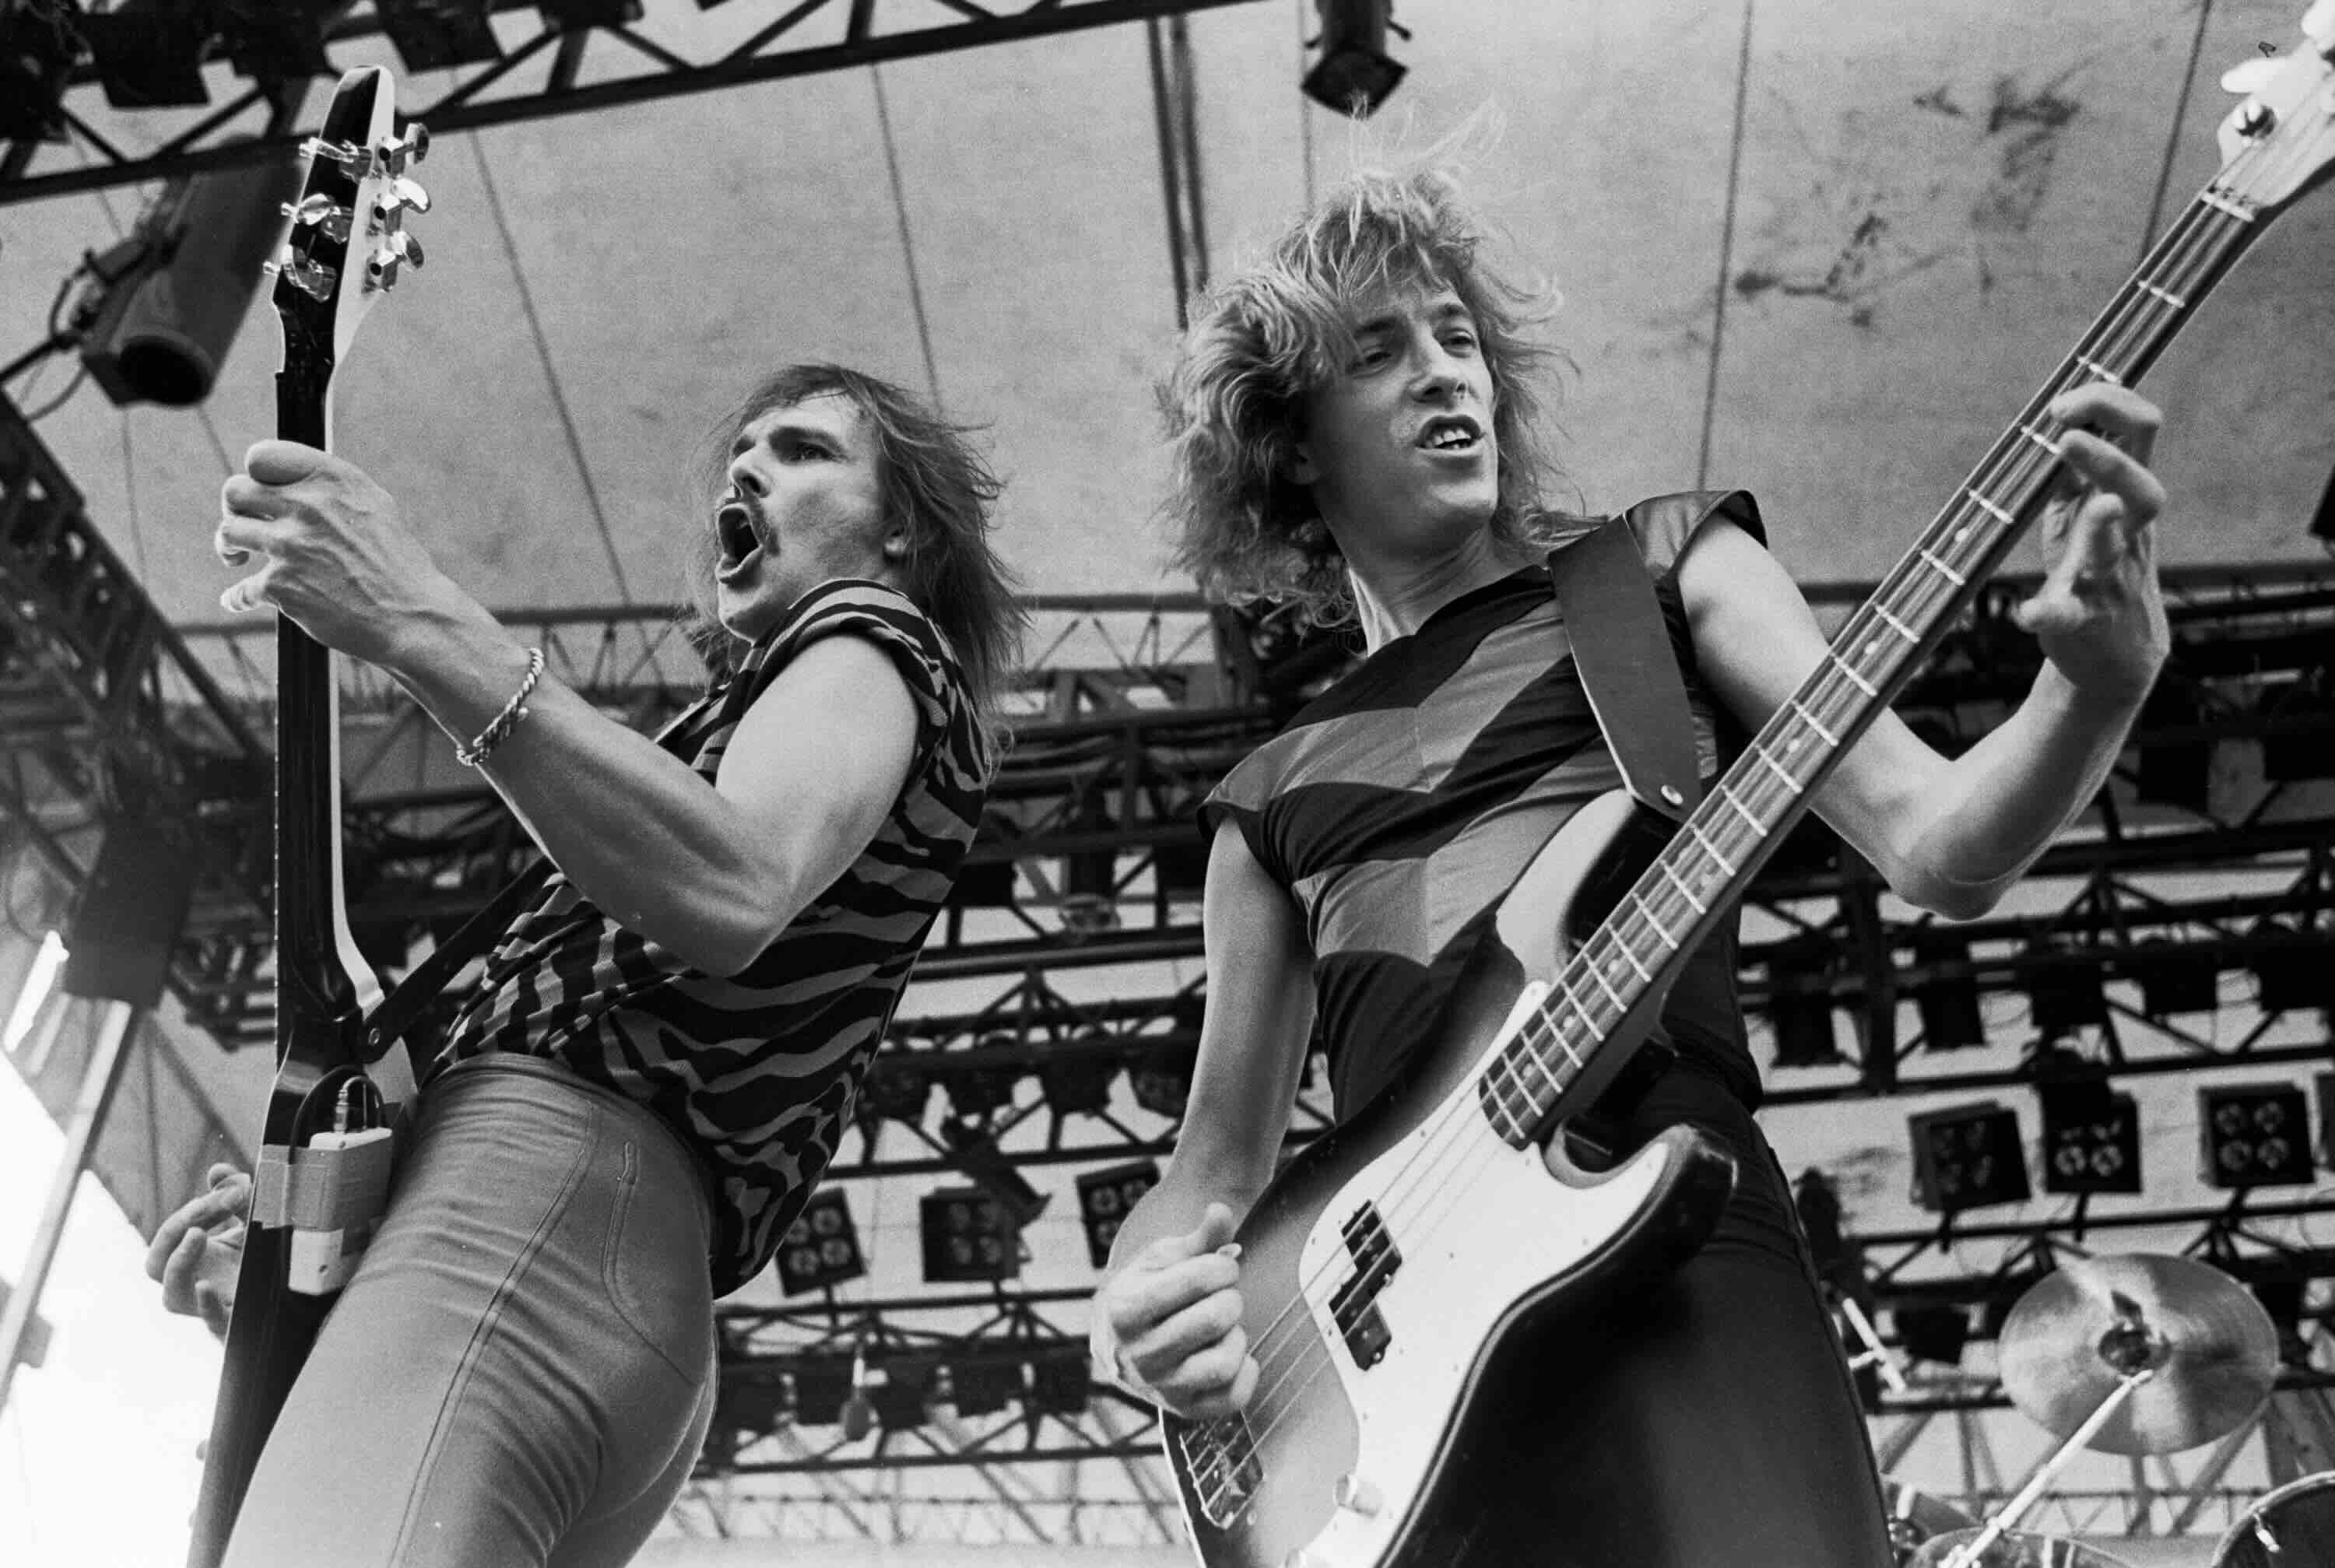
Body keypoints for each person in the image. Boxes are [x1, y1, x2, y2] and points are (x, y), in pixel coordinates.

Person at [1091, 165, 2169, 1566]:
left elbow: (1942, 845)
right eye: (1380, 351)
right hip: (1395, 1364)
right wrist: (1140, 1305)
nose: (1444, 372)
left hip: (1678, 1232)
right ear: (1291, 446)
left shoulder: (1661, 569)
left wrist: (2086, 691)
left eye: (1457, 337)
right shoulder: (1266, 798)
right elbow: (1213, 1169)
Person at [146, 362, 1022, 1567]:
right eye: (744, 449)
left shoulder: (874, 634)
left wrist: (409, 611)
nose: (749, 467)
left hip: (540, 1214)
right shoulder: (749, 720)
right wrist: (313, 1250)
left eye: (808, 451)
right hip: (600, 1273)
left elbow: (732, 883)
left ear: (904, 531)